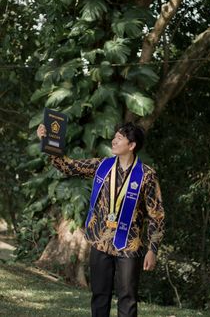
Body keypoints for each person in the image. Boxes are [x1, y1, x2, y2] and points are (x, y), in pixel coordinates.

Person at [37, 122, 164, 317]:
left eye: (119, 138)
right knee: (99, 296)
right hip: (100, 242)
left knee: (128, 298)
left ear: (131, 145)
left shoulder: (147, 175)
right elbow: (69, 166)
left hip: (128, 246)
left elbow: (157, 215)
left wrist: (152, 250)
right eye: (115, 136)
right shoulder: (101, 165)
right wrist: (47, 142)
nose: (113, 140)